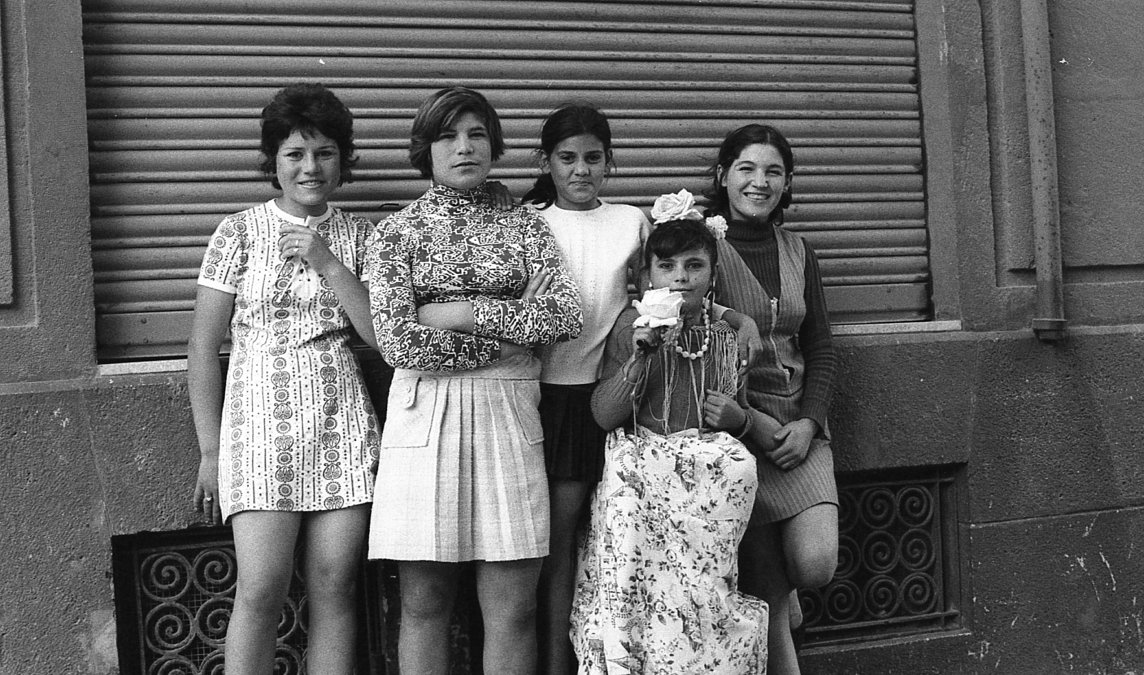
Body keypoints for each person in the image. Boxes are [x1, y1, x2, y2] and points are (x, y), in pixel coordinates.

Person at [523, 104, 764, 675]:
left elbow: (676, 289)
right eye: (567, 158)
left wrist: (736, 318)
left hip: (619, 392)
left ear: (610, 161)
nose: (581, 170)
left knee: (618, 543)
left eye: (593, 158)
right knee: (560, 544)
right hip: (552, 393)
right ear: (546, 161)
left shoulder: (630, 222)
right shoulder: (530, 223)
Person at [365, 86, 582, 675]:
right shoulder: (397, 233)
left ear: (494, 145)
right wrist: (509, 333)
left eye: (477, 134)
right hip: (424, 413)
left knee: (513, 606)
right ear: (425, 149)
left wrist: (458, 312)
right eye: (448, 136)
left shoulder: (525, 226)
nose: (464, 147)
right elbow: (399, 342)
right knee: (425, 604)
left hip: (509, 413)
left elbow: (563, 316)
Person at [188, 82, 380, 675]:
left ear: (343, 160)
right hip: (259, 430)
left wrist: (327, 260)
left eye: (324, 152)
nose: (310, 167)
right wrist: (210, 450)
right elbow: (202, 347)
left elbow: (382, 337)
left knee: (336, 587)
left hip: (341, 424)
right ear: (273, 160)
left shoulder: (361, 236)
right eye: (295, 153)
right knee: (261, 588)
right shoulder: (238, 232)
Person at [571, 202, 769, 674]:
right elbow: (604, 415)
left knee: (702, 592)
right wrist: (640, 356)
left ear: (713, 275)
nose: (680, 277)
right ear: (647, 276)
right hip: (644, 469)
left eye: (694, 266)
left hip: (704, 482)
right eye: (667, 266)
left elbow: (737, 407)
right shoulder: (631, 329)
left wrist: (737, 417)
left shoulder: (727, 337)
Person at [705, 123, 840, 675]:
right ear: (723, 176)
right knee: (767, 594)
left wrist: (810, 423)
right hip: (734, 430)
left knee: (815, 565)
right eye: (746, 169)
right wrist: (748, 424)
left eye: (773, 172)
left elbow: (821, 347)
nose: (759, 182)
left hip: (799, 430)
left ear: (786, 183)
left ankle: (789, 595)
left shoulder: (798, 250)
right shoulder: (701, 246)